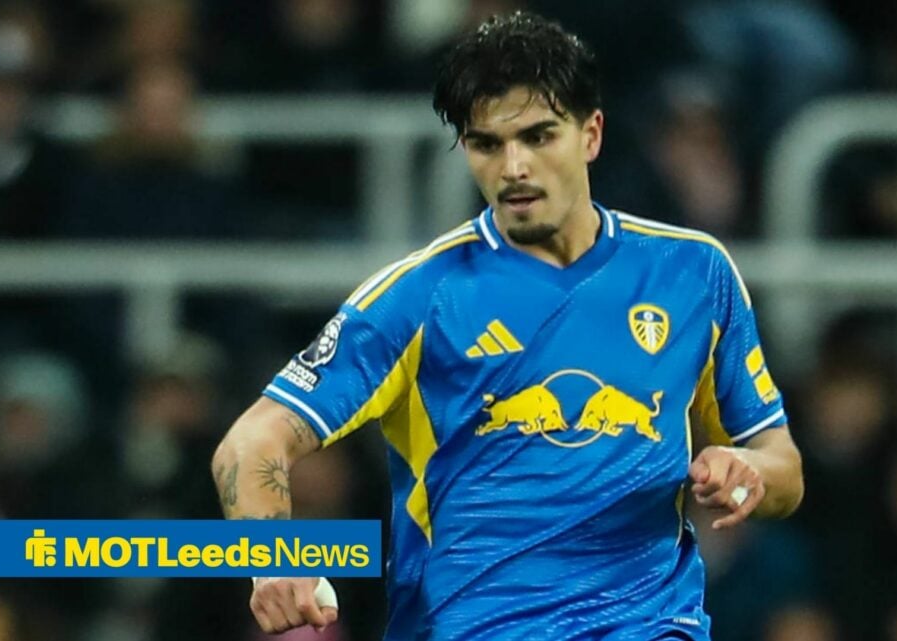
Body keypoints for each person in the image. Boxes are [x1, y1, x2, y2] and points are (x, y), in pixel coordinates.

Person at [212, 11, 803, 640]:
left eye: (539, 136)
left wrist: (750, 475)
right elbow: (251, 443)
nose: (513, 166)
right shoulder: (419, 299)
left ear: (591, 135)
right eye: (486, 144)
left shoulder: (693, 273)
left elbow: (782, 465)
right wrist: (271, 560)